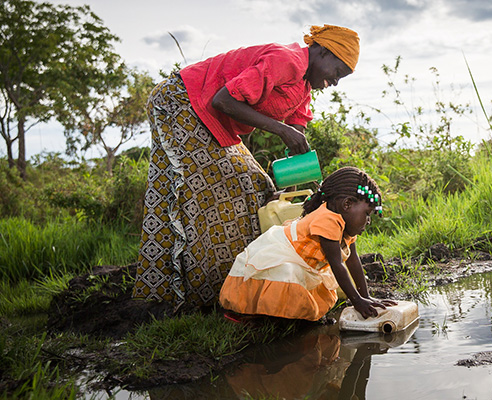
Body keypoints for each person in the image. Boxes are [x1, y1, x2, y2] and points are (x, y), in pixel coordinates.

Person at [133, 25, 360, 309]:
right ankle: (184, 293)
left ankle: (235, 282)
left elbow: (297, 130)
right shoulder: (287, 60)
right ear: (323, 52)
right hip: (183, 103)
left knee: (258, 187)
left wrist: (301, 174)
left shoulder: (303, 87)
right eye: (337, 73)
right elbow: (223, 100)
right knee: (200, 194)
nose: (335, 82)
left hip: (212, 120)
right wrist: (281, 130)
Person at [219, 167, 396, 321]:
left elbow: (353, 260)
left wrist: (366, 297)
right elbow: (337, 264)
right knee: (287, 275)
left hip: (301, 262)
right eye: (367, 214)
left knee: (308, 283)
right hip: (279, 256)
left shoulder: (345, 227)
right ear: (347, 204)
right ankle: (252, 313)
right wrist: (357, 301)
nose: (368, 221)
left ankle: (277, 314)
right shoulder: (327, 219)